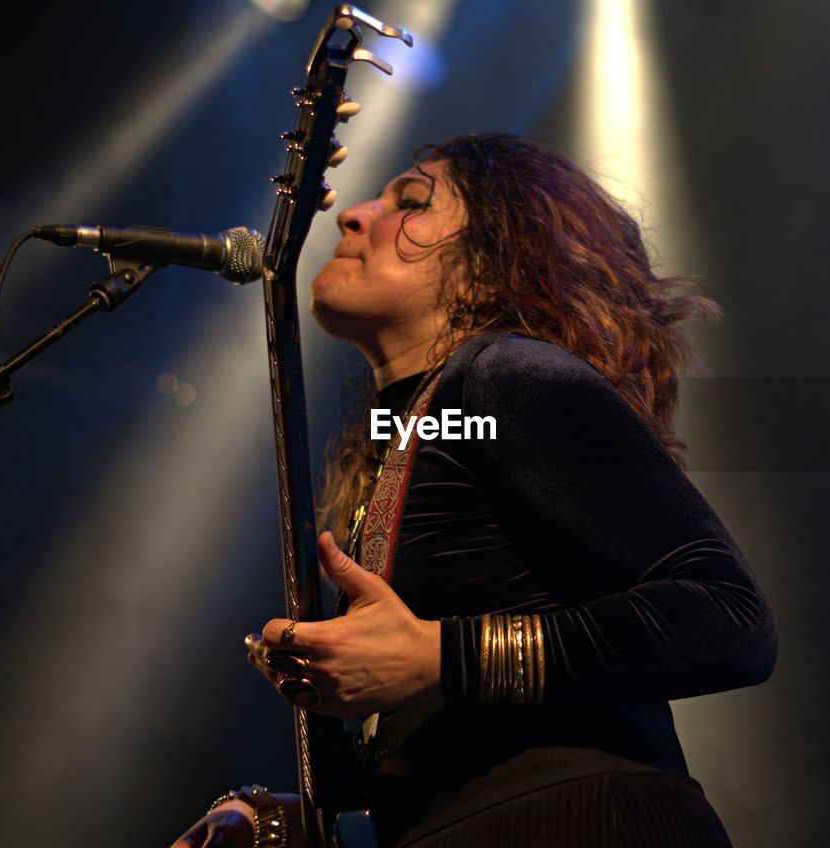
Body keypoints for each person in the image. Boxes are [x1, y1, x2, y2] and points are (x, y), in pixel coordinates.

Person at [172, 133, 778, 848]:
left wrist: (436, 656)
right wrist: (282, 818)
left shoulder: (508, 377)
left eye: (413, 201)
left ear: (495, 262)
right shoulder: (434, 424)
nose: (353, 216)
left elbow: (727, 618)